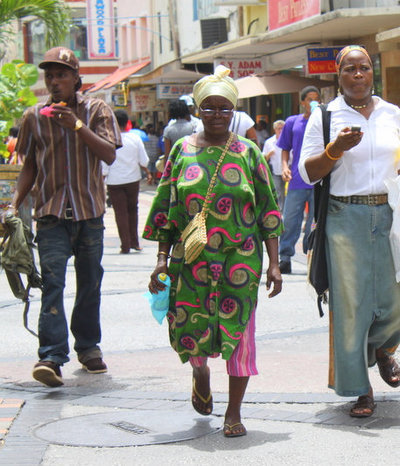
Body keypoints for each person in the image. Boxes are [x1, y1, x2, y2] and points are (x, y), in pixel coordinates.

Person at [144, 65, 283, 438]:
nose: (217, 115)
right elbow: (166, 209)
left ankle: (233, 413)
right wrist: (161, 260)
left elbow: (268, 209)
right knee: (191, 330)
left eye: (225, 109)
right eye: (210, 108)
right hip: (192, 261)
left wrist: (274, 263)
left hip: (241, 260)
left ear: (233, 112)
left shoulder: (249, 153)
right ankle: (200, 373)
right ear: (198, 111)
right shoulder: (181, 151)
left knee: (240, 336)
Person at [299, 45, 400, 418]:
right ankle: (360, 389)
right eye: (349, 69)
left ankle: (383, 349)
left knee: (399, 297)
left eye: (364, 68)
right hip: (343, 216)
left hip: (389, 212)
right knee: (351, 306)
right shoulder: (325, 116)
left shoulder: (392, 113)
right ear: (339, 74)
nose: (357, 75)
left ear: (372, 72)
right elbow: (307, 173)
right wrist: (334, 150)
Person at [7, 47, 121, 387]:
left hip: (89, 213)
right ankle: (52, 357)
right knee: (52, 284)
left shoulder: (97, 109)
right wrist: (14, 205)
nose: (54, 82)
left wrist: (76, 126)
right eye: (50, 76)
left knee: (89, 283)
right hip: (51, 214)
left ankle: (88, 347)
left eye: (61, 75)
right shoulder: (33, 117)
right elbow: (29, 166)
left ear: (76, 78)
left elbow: (109, 154)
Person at [276, 86, 320, 274]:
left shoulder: (324, 121)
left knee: (314, 222)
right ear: (302, 102)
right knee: (290, 221)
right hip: (296, 180)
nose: (312, 103)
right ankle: (285, 257)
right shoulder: (292, 122)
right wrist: (285, 167)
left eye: (316, 99)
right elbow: (285, 148)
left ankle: (312, 255)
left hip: (319, 180)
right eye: (309, 99)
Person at [103, 110, 150, 254]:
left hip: (114, 181)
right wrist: (146, 172)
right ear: (127, 122)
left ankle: (125, 245)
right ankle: (135, 242)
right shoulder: (135, 138)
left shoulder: (108, 139)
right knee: (132, 210)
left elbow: (104, 165)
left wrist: (102, 179)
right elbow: (144, 160)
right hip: (133, 179)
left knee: (120, 213)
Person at [262, 119, 286, 211]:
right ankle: (279, 212)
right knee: (278, 192)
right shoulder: (269, 142)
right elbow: (263, 159)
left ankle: (285, 211)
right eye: (278, 128)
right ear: (274, 130)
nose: (280, 130)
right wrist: (269, 154)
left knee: (287, 193)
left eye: (282, 128)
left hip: (288, 171)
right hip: (275, 172)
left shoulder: (289, 140)